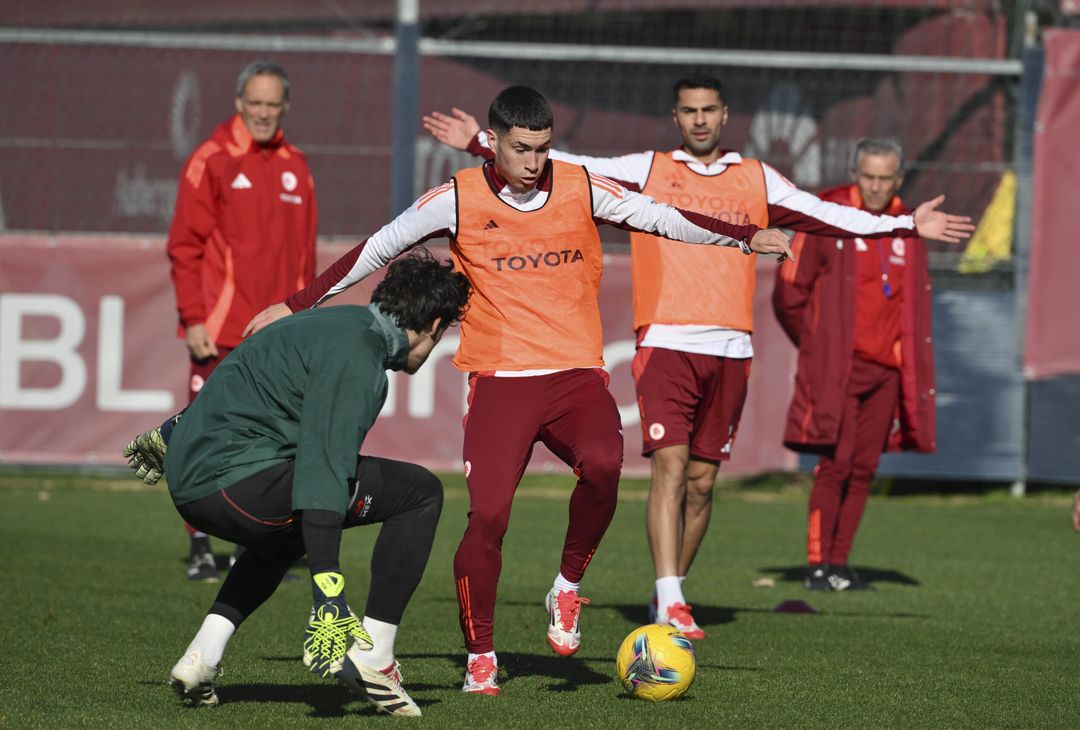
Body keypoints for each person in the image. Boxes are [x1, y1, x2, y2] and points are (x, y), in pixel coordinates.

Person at [244, 85, 794, 697]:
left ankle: (567, 586)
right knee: (490, 517)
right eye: (522, 149)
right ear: (495, 141)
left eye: (543, 149)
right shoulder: (455, 197)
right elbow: (376, 247)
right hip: (501, 379)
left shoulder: (581, 185)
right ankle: (481, 656)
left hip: (574, 374)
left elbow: (661, 214)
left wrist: (744, 235)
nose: (534, 163)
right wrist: (293, 305)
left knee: (607, 465)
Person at [422, 76, 971, 636]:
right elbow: (561, 163)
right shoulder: (648, 168)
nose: (700, 120)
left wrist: (904, 225)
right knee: (670, 467)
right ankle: (667, 598)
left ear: (726, 115)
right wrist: (480, 145)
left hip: (732, 345)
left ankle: (669, 587)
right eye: (689, 110)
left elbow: (824, 216)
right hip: (665, 340)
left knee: (704, 483)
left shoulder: (757, 177)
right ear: (677, 116)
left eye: (709, 109)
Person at [124, 251, 471, 716]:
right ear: (432, 324)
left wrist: (173, 431)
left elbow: (241, 376)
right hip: (238, 486)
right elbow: (322, 469)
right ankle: (376, 656)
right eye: (444, 331)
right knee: (419, 492)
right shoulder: (359, 354)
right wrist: (328, 589)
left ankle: (202, 656)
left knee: (284, 531)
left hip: (194, 483)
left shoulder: (325, 324)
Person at [166, 60, 317, 582]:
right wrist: (194, 318)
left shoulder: (298, 164)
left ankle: (261, 548)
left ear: (285, 108)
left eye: (273, 104)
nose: (263, 112)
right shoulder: (210, 159)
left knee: (277, 441)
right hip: (222, 330)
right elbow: (184, 247)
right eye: (255, 102)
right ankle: (200, 547)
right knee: (201, 435)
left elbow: (305, 259)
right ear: (238, 103)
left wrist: (303, 321)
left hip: (277, 336)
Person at [773, 138, 937, 592]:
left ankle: (841, 564)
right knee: (835, 463)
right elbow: (790, 292)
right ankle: (817, 564)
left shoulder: (908, 222)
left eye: (886, 178)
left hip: (887, 369)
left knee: (864, 468)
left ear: (899, 179)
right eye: (869, 176)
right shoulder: (827, 214)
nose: (877, 186)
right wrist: (817, 347)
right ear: (854, 172)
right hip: (840, 367)